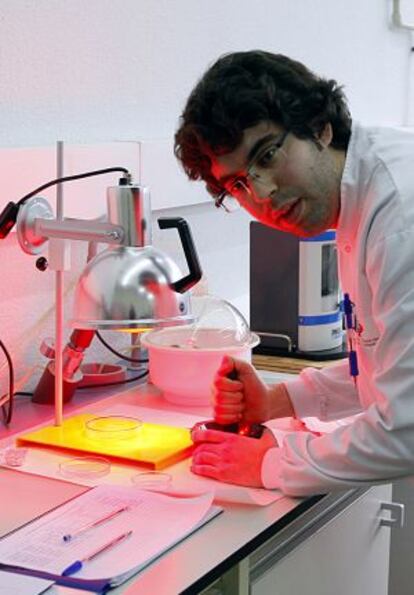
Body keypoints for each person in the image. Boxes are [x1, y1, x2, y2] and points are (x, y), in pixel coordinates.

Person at [174, 50, 414, 496]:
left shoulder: (400, 214)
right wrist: (278, 401)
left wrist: (271, 464)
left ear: (320, 128)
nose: (262, 193)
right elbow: (387, 362)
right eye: (238, 184)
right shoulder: (361, 196)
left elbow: (407, 429)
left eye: (266, 156)